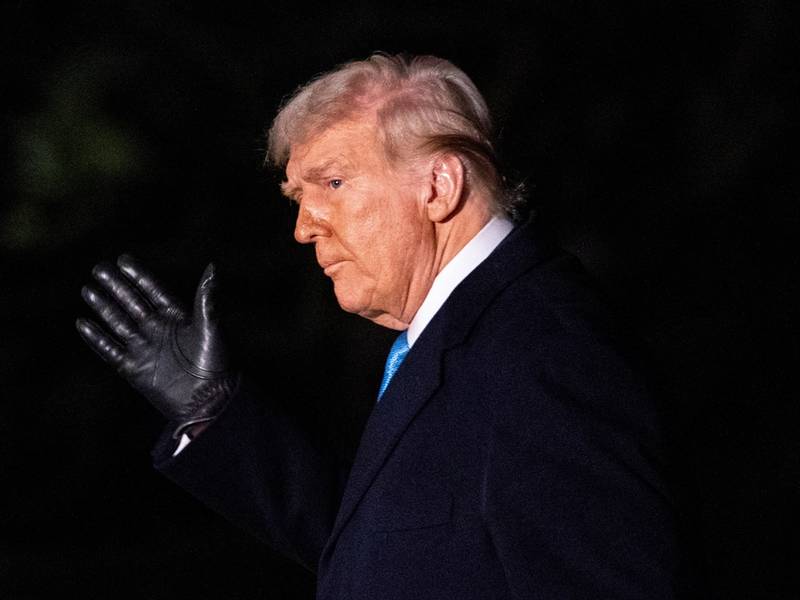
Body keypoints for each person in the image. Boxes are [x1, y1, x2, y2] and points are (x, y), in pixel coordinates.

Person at [77, 53, 690, 598]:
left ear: (439, 185)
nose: (304, 227)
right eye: (297, 197)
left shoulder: (542, 352)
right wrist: (212, 414)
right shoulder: (461, 338)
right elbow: (393, 553)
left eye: (334, 182)